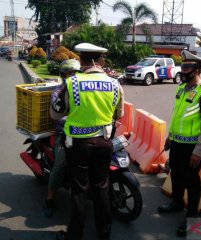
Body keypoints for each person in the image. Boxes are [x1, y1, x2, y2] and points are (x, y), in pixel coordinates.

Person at [50, 43, 124, 240]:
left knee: (79, 191)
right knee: (101, 187)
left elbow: (56, 114)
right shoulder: (115, 84)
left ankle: (74, 236)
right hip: (104, 144)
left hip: (78, 146)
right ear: (101, 61)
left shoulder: (71, 83)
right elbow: (120, 113)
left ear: (81, 60)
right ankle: (104, 232)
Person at [158, 49, 201, 237]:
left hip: (192, 148)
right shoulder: (181, 89)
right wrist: (170, 136)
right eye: (182, 67)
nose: (182, 72)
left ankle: (192, 218)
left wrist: (199, 151)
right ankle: (176, 202)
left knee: (192, 182)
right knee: (176, 174)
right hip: (176, 143)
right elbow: (178, 115)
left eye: (187, 68)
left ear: (196, 70)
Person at [43, 59, 81, 218]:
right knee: (61, 164)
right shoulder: (59, 91)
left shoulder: (82, 89)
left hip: (83, 131)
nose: (73, 76)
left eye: (76, 73)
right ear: (63, 75)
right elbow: (57, 114)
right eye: (70, 73)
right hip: (64, 133)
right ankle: (50, 198)